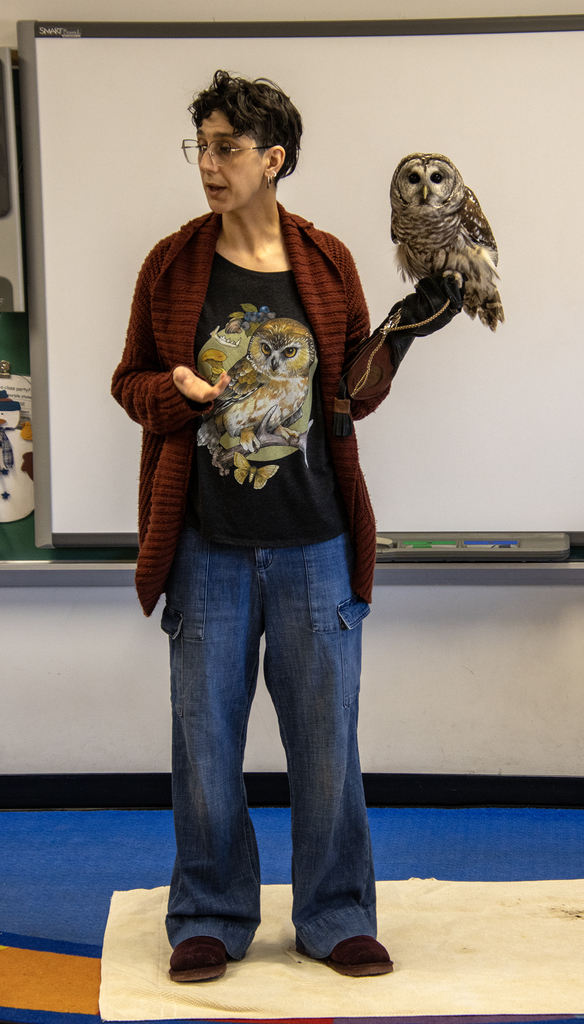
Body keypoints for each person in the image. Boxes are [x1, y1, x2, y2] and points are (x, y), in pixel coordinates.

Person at [112, 70, 462, 984]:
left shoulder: (328, 260)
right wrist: (177, 392)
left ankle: (337, 913)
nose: (210, 165)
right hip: (206, 549)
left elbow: (348, 394)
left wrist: (402, 337)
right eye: (203, 146)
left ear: (275, 159)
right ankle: (210, 915)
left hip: (314, 546)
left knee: (326, 747)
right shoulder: (173, 263)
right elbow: (130, 383)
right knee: (204, 747)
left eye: (228, 147)